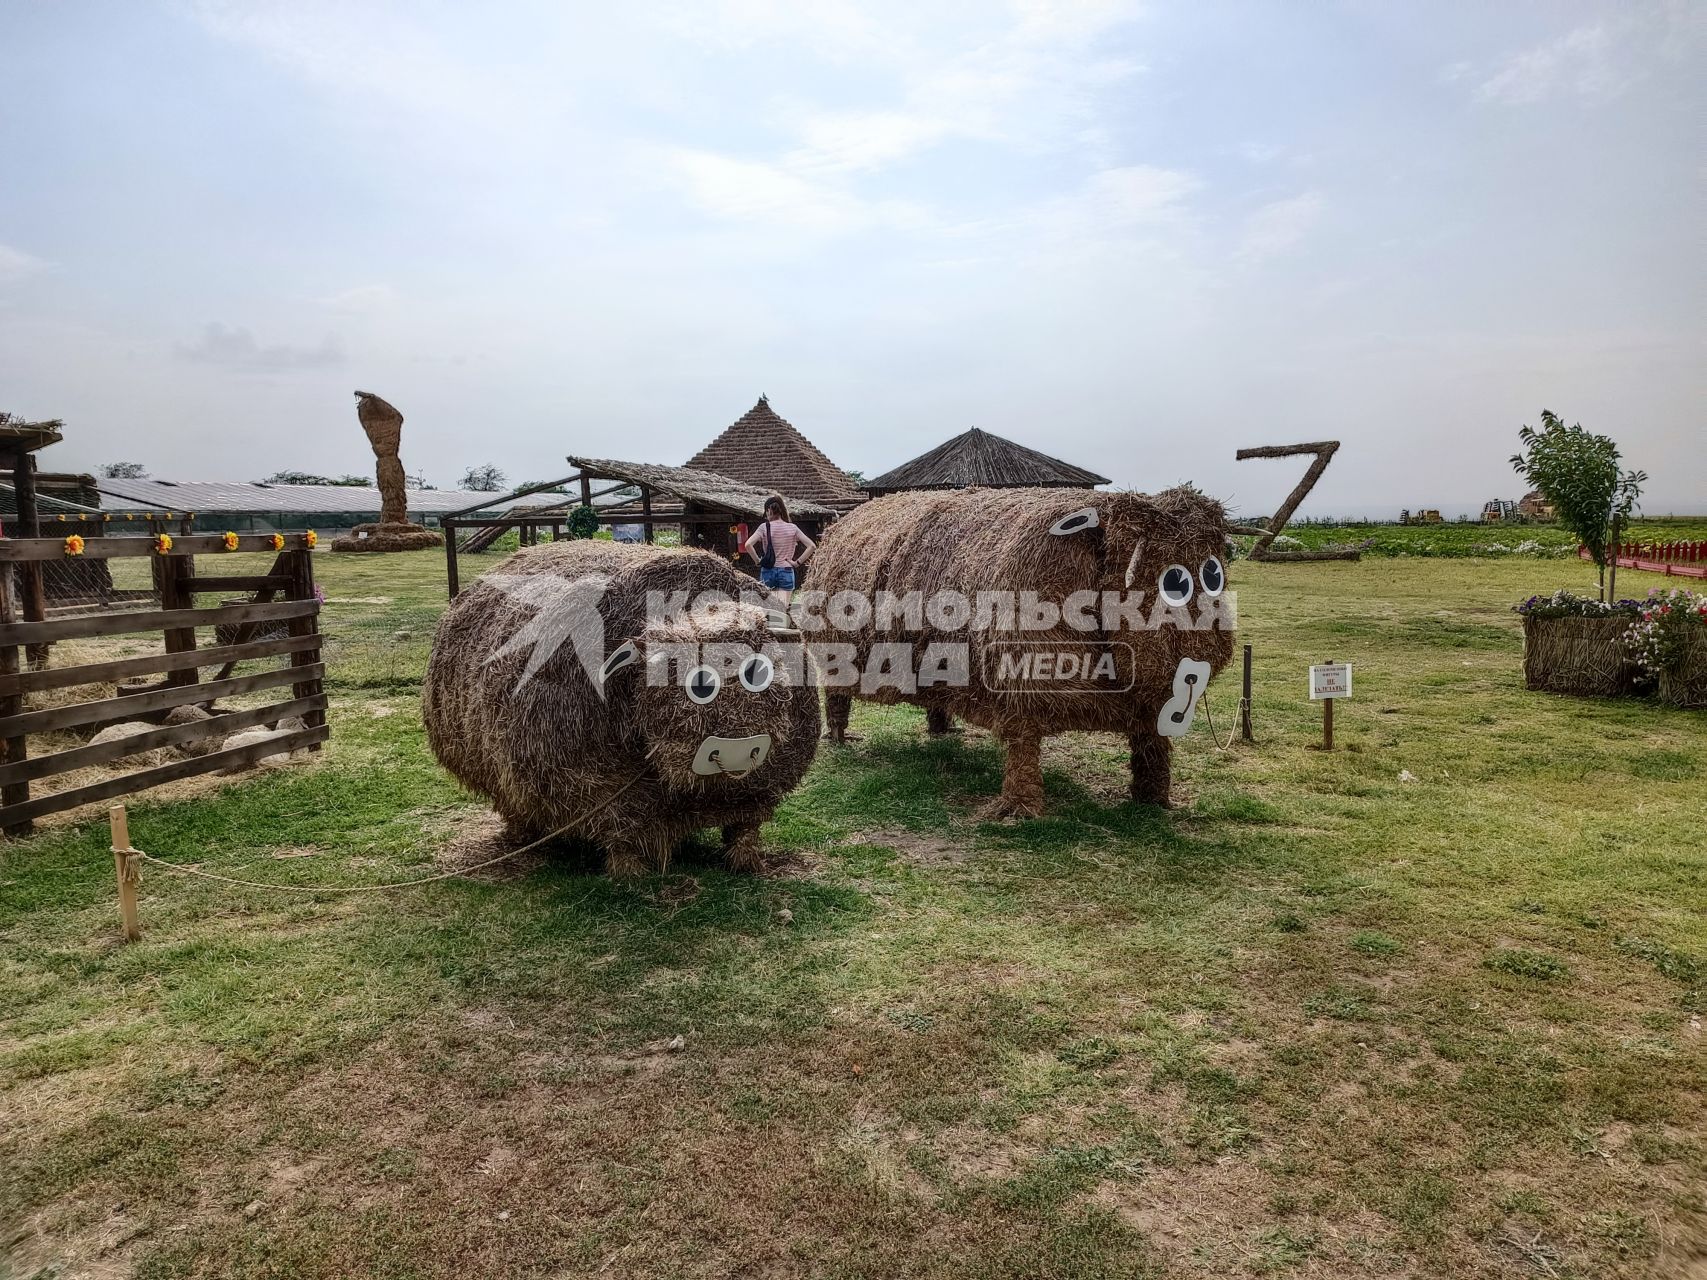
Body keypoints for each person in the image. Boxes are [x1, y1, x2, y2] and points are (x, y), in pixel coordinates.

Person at [743, 495, 815, 608]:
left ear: (768, 510)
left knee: (768, 609)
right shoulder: (792, 528)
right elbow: (811, 546)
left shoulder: (763, 527)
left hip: (768, 571)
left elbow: (748, 545)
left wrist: (758, 561)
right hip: (786, 570)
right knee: (782, 608)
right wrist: (797, 562)